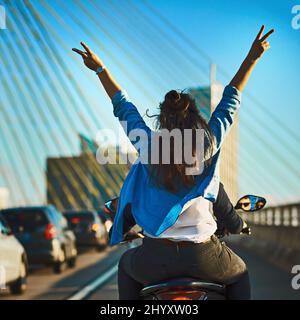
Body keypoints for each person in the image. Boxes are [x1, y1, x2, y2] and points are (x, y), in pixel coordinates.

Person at [73, 25, 274, 300]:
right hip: (203, 255)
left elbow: (123, 106)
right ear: (195, 118)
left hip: (155, 259)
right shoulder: (207, 143)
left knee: (125, 266)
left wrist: (100, 70)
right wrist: (252, 58)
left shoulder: (149, 145)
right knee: (239, 273)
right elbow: (230, 102)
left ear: (162, 119)